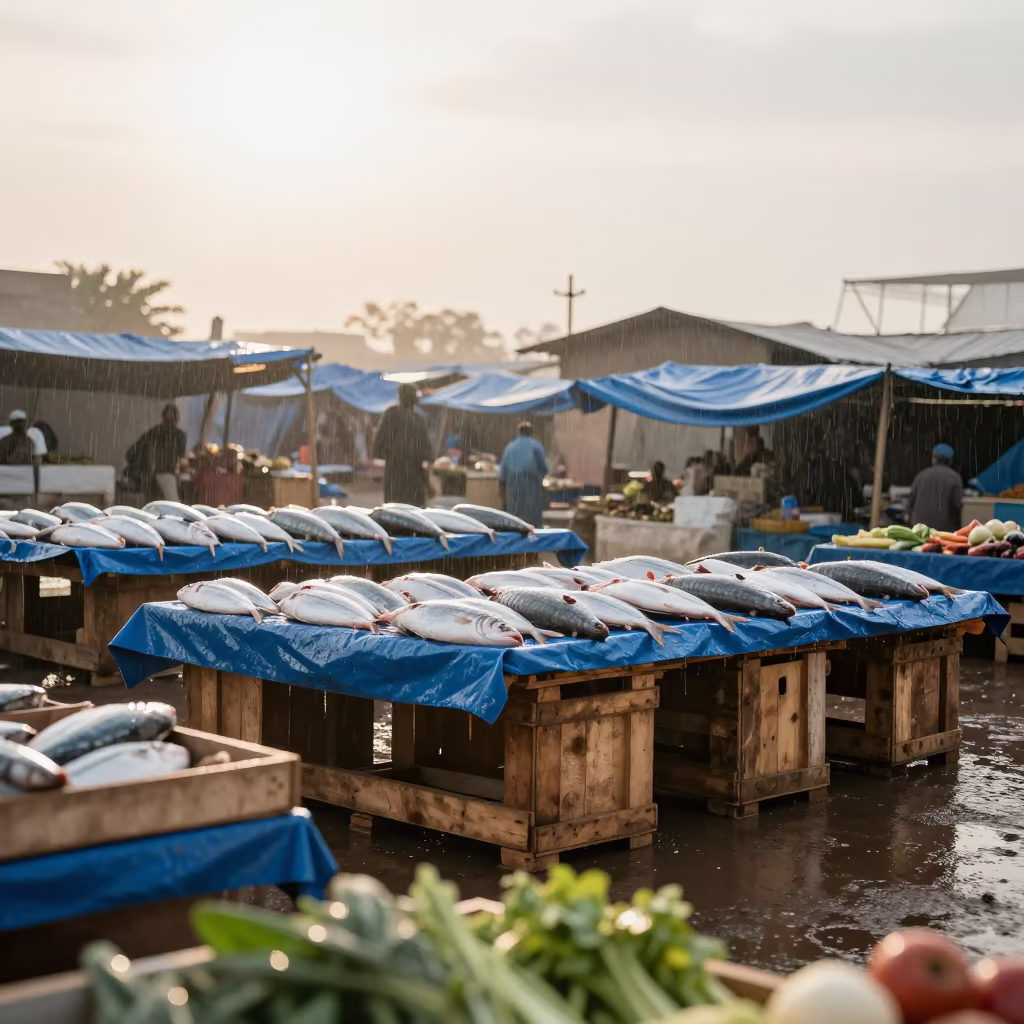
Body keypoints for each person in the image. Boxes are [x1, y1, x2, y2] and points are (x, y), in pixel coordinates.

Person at [373, 383, 433, 505]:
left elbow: (378, 449)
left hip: (395, 480)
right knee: (415, 518)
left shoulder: (391, 415)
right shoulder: (418, 420)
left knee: (394, 516)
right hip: (414, 481)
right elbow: (426, 456)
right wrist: (427, 483)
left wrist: (393, 457)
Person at [125, 404, 187, 500]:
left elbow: (132, 451)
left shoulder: (154, 432)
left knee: (153, 504)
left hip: (152, 473)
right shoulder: (179, 435)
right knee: (172, 504)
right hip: (164, 473)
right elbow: (180, 456)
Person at [498, 421, 549, 527]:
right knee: (533, 524)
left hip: (513, 492)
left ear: (519, 432)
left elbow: (502, 476)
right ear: (531, 432)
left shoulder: (509, 447)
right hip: (532, 491)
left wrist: (502, 499)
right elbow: (544, 469)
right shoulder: (536, 446)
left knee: (515, 524)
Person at [908, 442, 963, 532]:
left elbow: (910, 502)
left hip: (919, 528)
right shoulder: (955, 478)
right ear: (950, 461)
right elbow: (957, 505)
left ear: (933, 459)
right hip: (943, 530)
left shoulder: (921, 476)